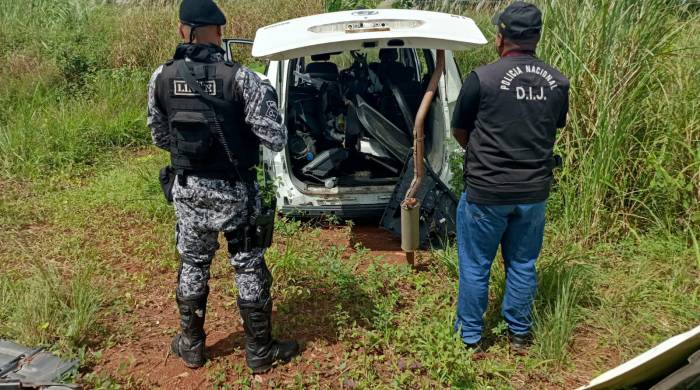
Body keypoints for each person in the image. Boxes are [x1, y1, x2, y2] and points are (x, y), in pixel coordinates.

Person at [147, 0, 300, 372]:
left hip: (189, 191)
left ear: (183, 30)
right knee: (247, 267)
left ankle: (192, 346)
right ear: (217, 32)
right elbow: (275, 138)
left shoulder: (161, 77)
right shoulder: (242, 78)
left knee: (194, 263)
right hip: (235, 193)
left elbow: (159, 137)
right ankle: (259, 352)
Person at [451, 1, 569, 353]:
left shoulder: (481, 79)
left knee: (475, 266)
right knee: (522, 263)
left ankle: (470, 339)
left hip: (486, 192)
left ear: (501, 37)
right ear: (536, 37)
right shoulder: (558, 83)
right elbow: (554, 127)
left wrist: (483, 154)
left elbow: (460, 130)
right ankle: (519, 335)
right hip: (533, 193)